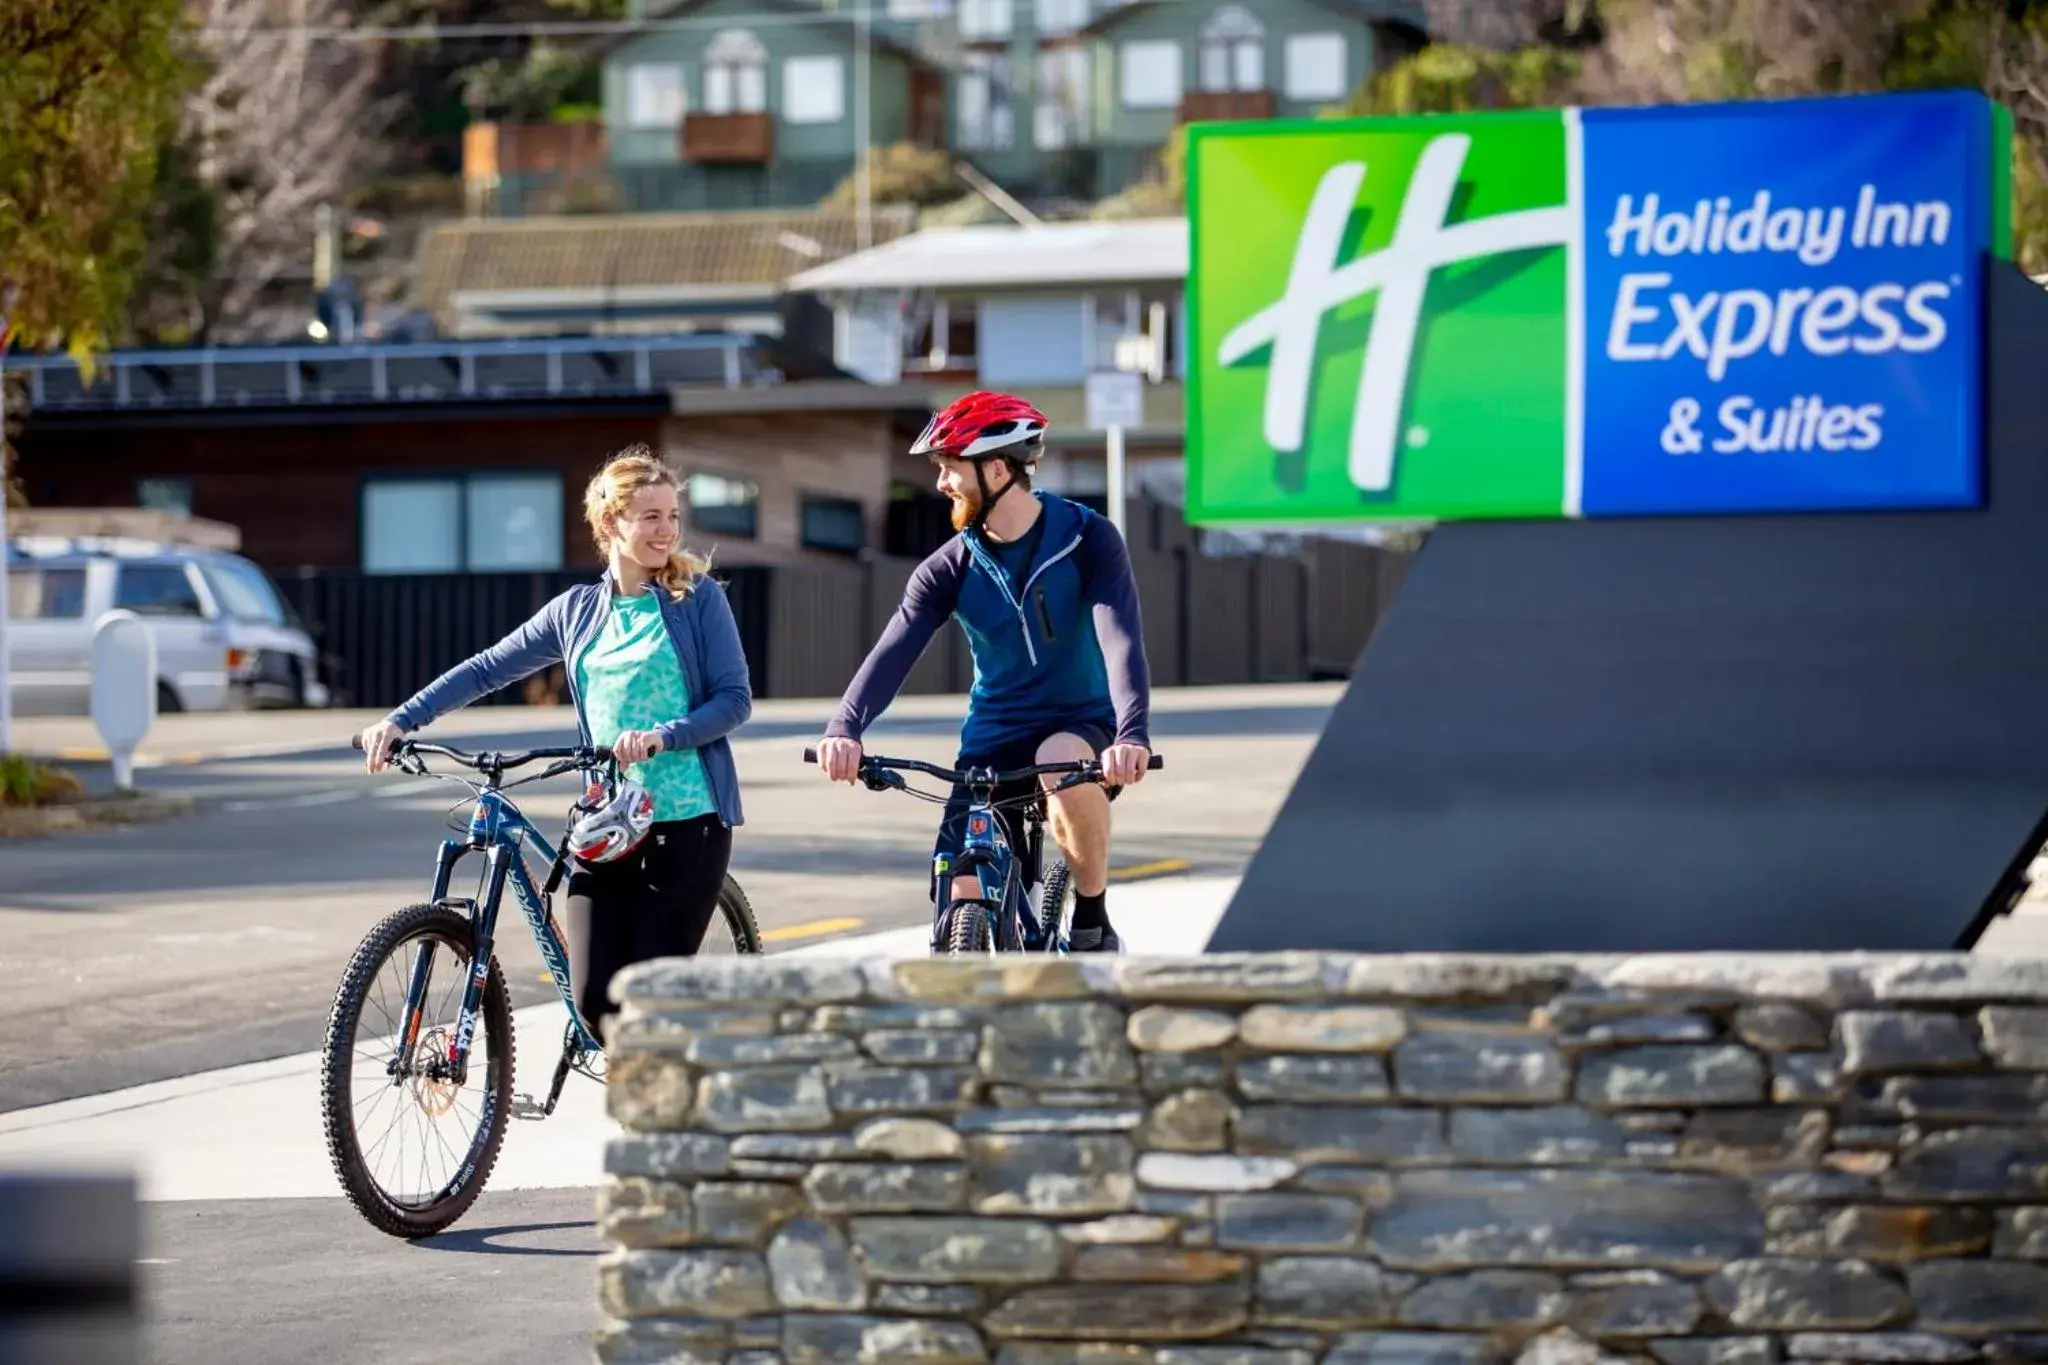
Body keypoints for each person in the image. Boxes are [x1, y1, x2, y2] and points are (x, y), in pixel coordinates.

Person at [357, 444, 752, 1037]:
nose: (667, 531)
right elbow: (487, 668)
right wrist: (402, 720)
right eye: (651, 517)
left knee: (645, 1003)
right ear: (611, 523)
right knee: (593, 1005)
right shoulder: (576, 611)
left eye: (672, 516)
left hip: (687, 820)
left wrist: (663, 737)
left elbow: (733, 699)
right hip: (609, 824)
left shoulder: (696, 600)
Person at [814, 391, 1153, 953]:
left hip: (1079, 723)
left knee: (1059, 762)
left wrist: (1131, 734)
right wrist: (844, 728)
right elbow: (893, 652)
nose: (941, 482)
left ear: (997, 469)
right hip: (993, 739)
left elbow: (1122, 641)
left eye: (950, 467)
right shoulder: (949, 567)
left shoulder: (1086, 538)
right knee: (961, 885)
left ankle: (1092, 918)